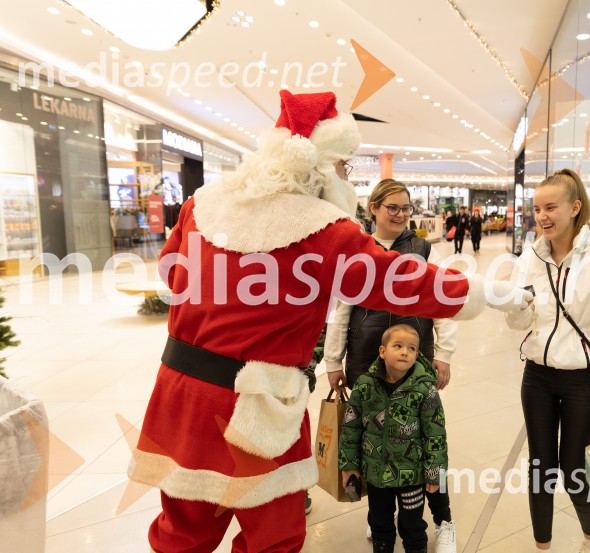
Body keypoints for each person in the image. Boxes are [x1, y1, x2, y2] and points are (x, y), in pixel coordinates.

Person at [127, 89, 531, 552]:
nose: (347, 177)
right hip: (255, 411)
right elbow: (403, 280)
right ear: (320, 166)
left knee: (181, 532)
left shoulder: (202, 205)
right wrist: (498, 292)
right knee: (272, 538)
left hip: (179, 396)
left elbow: (168, 272)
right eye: (345, 166)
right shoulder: (320, 228)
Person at [505, 169, 590, 553]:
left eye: (551, 207)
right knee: (540, 468)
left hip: (585, 382)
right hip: (537, 379)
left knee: (575, 468)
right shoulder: (530, 255)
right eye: (537, 209)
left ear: (575, 207)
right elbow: (519, 321)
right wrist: (513, 305)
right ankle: (542, 546)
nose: (542, 217)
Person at [325, 178, 458, 552]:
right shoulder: (356, 252)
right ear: (374, 210)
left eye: (406, 208)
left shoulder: (422, 249)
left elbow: (441, 301)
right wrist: (333, 361)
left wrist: (444, 354)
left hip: (415, 356)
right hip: (368, 358)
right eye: (392, 208)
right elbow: (340, 309)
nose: (400, 215)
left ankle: (444, 519)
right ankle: (380, 518)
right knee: (373, 440)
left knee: (427, 437)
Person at [339, 324, 446, 553]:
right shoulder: (365, 386)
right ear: (382, 351)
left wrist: (435, 474)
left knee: (412, 526)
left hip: (412, 476)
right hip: (376, 475)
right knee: (380, 524)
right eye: (398, 346)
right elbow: (351, 427)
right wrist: (348, 465)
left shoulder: (425, 388)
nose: (405, 352)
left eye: (412, 348)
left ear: (417, 354)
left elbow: (435, 435)